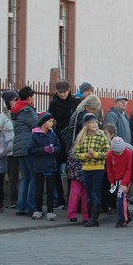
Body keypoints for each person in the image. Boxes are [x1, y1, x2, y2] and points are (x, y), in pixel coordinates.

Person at [48, 80, 80, 209]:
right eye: (60, 92)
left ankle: (71, 199)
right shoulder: (54, 104)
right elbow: (51, 118)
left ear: (69, 90)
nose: (62, 94)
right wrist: (52, 121)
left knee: (70, 170)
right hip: (58, 138)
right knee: (55, 170)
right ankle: (60, 197)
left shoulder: (75, 103)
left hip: (71, 139)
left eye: (64, 92)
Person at [74, 113, 109, 227]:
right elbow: (75, 154)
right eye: (92, 122)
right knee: (89, 194)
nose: (94, 124)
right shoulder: (81, 137)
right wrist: (85, 156)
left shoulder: (101, 135)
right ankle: (90, 217)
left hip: (98, 168)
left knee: (95, 193)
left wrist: (95, 154)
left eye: (95, 122)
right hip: (86, 168)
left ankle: (94, 218)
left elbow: (108, 153)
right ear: (86, 124)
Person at [28, 112, 60, 221]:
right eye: (49, 121)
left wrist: (54, 149)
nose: (52, 123)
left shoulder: (53, 134)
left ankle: (50, 211)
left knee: (50, 189)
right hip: (39, 166)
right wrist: (43, 150)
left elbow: (58, 146)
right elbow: (31, 150)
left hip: (51, 166)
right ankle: (38, 210)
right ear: (43, 123)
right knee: (39, 189)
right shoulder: (35, 135)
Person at [11, 86, 38, 216]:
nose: (33, 99)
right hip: (29, 146)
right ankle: (30, 206)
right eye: (32, 96)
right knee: (33, 177)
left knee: (25, 178)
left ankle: (20, 207)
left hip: (19, 147)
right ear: (29, 97)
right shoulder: (27, 110)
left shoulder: (17, 110)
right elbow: (37, 124)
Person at [0, 90, 18, 208]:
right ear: (8, 101)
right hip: (9, 150)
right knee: (13, 176)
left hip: (20, 148)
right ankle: (14, 199)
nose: (16, 102)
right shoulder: (2, 117)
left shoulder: (21, 113)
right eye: (13, 100)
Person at [106, 136, 132, 227]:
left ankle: (122, 219)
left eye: (121, 151)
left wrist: (124, 183)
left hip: (125, 179)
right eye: (117, 152)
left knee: (121, 198)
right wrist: (112, 181)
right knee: (120, 199)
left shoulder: (127, 153)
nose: (119, 153)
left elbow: (129, 169)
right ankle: (127, 216)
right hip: (116, 179)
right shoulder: (109, 155)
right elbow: (109, 169)